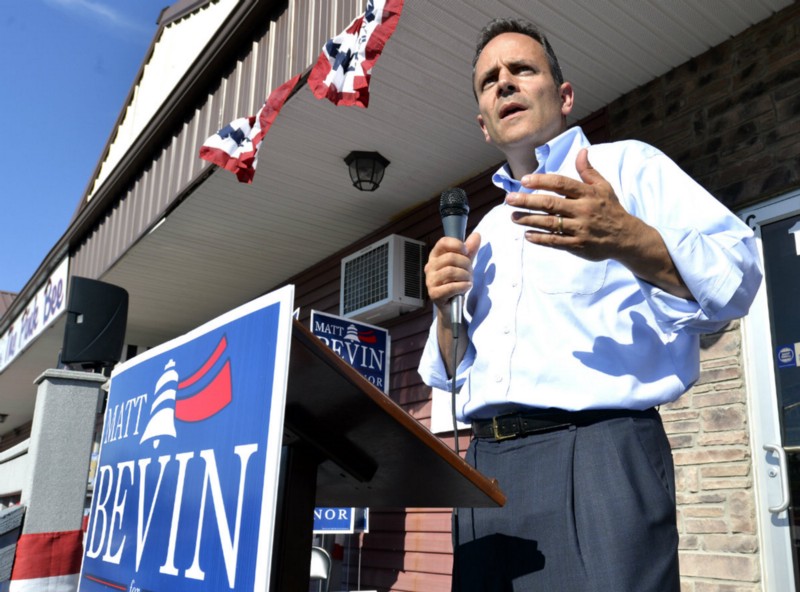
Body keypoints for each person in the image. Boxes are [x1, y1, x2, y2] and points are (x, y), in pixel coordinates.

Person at [418, 17, 762, 592]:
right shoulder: (486, 231)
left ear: (565, 95)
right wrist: (442, 307)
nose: (504, 83)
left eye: (521, 70)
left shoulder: (628, 168)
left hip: (598, 457)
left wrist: (627, 237)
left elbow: (739, 276)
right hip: (486, 472)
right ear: (483, 125)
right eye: (489, 80)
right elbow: (450, 374)